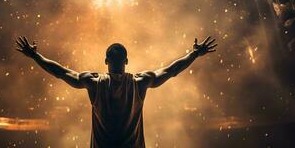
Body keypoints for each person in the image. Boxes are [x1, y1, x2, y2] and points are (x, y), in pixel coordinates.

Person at [15, 36, 217, 148]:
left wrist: (35, 56)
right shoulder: (140, 83)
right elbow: (172, 71)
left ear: (106, 61)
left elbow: (60, 72)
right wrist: (195, 53)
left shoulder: (93, 83)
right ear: (126, 61)